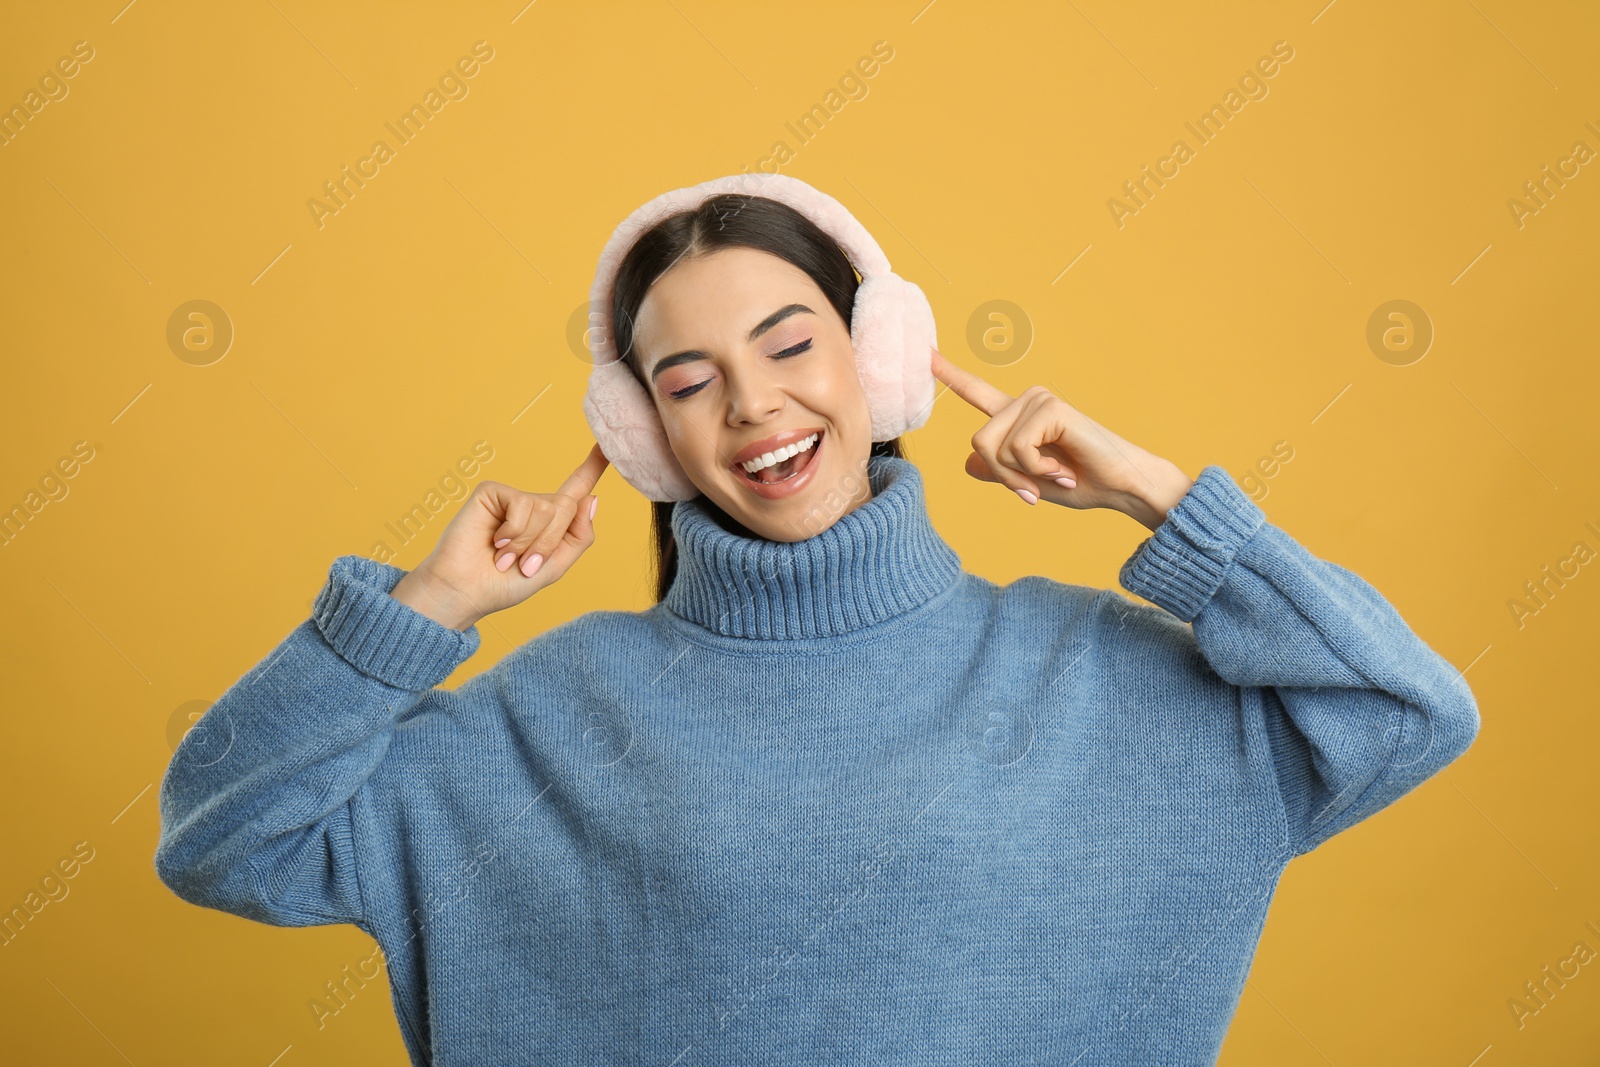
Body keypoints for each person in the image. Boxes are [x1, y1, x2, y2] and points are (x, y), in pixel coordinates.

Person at [154, 175, 1480, 1066]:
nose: (754, 407)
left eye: (792, 346)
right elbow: (226, 839)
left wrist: (1159, 500)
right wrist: (429, 607)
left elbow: (1402, 711)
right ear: (647, 437)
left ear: (880, 357)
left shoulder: (1086, 670)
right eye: (690, 381)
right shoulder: (552, 718)